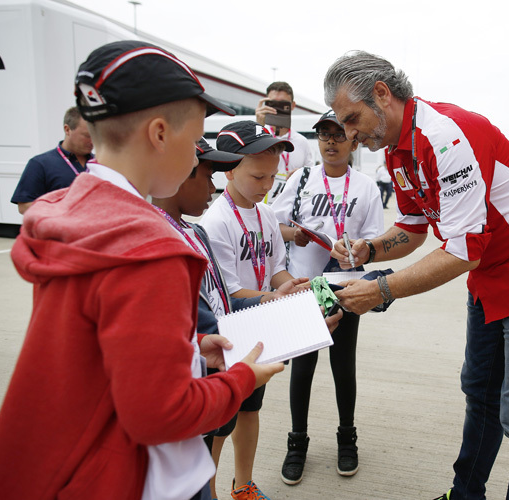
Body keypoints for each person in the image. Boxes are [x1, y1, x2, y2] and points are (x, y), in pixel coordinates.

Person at [0, 40, 285, 500]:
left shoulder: (74, 212)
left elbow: (94, 341)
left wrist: (189, 347)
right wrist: (241, 380)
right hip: (129, 478)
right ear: (157, 134)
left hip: (66, 464)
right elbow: (160, 415)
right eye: (195, 143)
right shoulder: (150, 248)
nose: (197, 159)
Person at [324, 51, 509, 500]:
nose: (347, 134)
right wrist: (370, 249)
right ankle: (465, 495)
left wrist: (382, 289)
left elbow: (464, 250)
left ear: (382, 95)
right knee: (480, 396)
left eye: (351, 118)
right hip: (490, 278)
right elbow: (413, 226)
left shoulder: (447, 136)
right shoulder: (397, 153)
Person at [151, 137, 342, 500]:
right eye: (209, 175)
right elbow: (221, 310)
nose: (214, 185)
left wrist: (298, 303)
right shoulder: (196, 229)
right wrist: (287, 312)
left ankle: (242, 486)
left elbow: (228, 301)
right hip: (211, 363)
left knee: (246, 411)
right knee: (214, 431)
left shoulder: (194, 232)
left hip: (235, 343)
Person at [272, 110, 384, 485]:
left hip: (346, 284)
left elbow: (374, 239)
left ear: (353, 141)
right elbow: (276, 225)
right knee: (303, 367)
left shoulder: (366, 187)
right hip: (305, 285)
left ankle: (346, 438)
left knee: (343, 365)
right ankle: (297, 441)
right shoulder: (301, 179)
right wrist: (296, 234)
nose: (331, 142)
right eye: (325, 135)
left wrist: (356, 249)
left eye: (339, 135)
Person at [199, 120, 296, 500]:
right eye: (259, 177)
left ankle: (243, 486)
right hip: (227, 335)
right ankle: (209, 492)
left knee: (251, 410)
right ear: (229, 168)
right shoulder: (215, 221)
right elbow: (230, 292)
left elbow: (276, 270)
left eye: (273, 177)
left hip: (260, 330)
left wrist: (293, 288)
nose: (267, 186)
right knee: (220, 423)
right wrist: (279, 300)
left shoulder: (266, 214)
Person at [11, 106, 94, 214]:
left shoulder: (100, 162)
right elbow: (24, 206)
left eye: (95, 135)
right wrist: (64, 208)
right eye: (87, 135)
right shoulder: (40, 164)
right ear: (67, 129)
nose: (92, 141)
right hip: (62, 229)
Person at [254, 81, 314, 204]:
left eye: (283, 104)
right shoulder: (258, 135)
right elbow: (247, 165)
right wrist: (258, 126)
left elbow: (312, 177)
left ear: (292, 106)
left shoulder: (301, 142)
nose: (277, 108)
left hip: (291, 207)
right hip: (261, 206)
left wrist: (301, 174)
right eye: (273, 103)